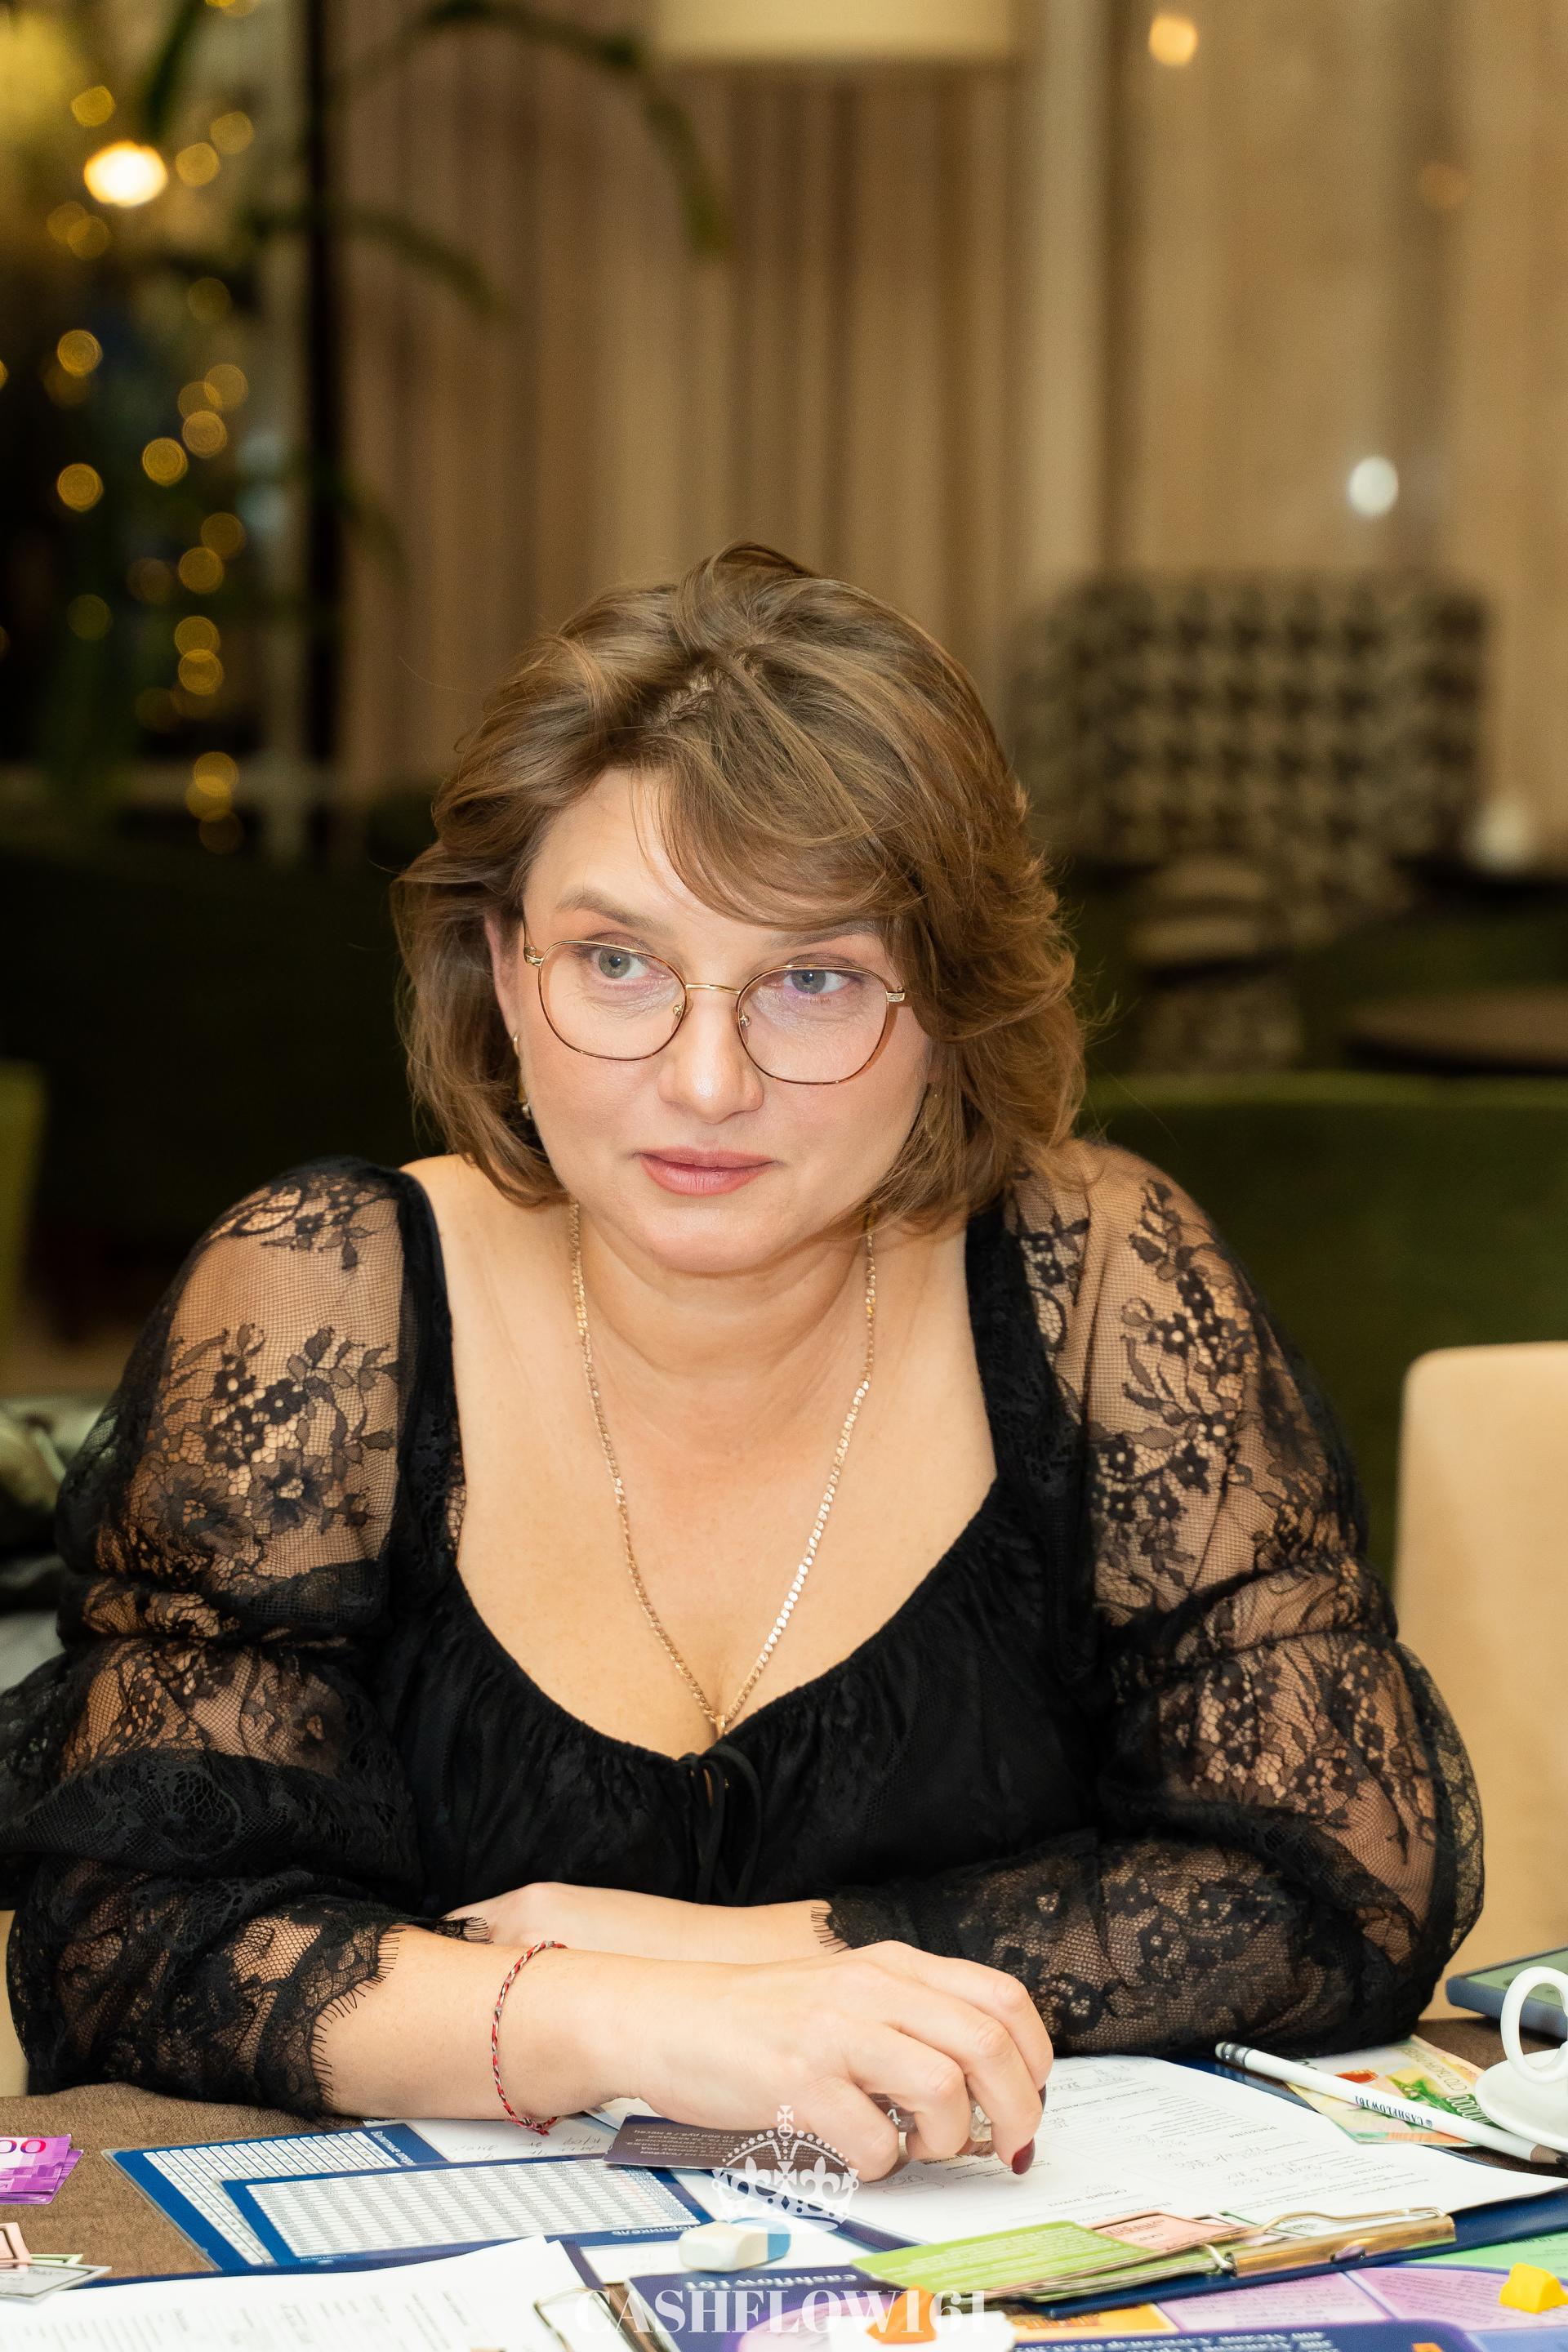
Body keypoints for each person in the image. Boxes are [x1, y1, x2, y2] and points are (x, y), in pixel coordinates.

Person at [0, 547, 1478, 2176]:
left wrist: (768, 1957)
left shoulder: (1097, 1281)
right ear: (505, 974)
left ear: (952, 1010)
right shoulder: (322, 1297)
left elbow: (1337, 1884)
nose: (706, 1080)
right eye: (617, 963)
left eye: (814, 979)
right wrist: (612, 2018)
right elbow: (128, 1934)